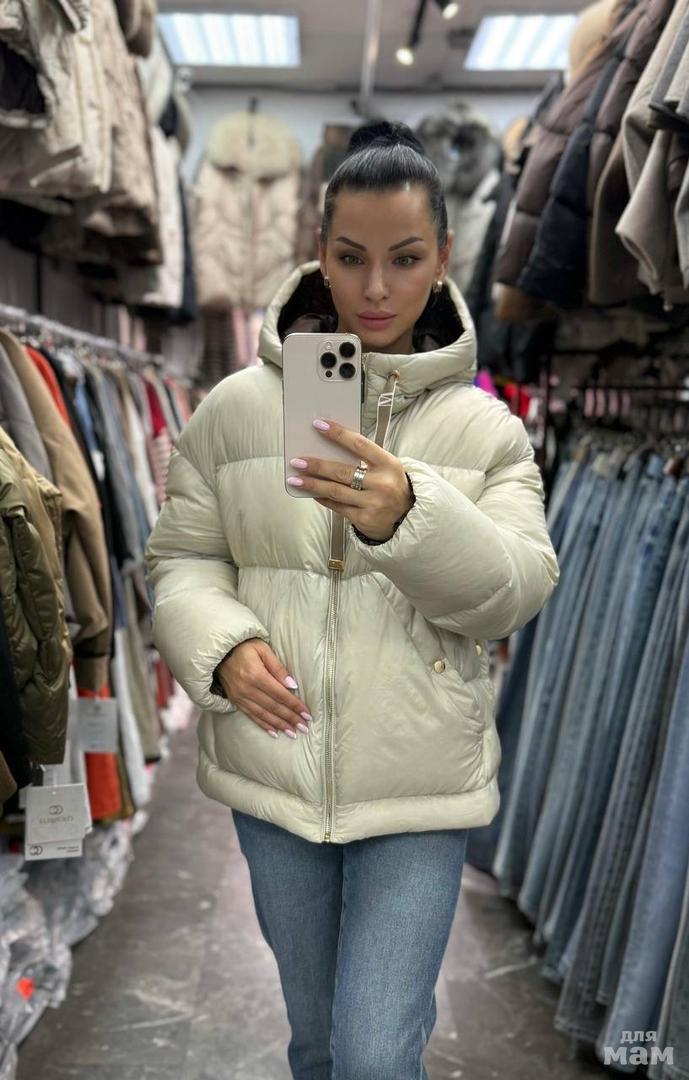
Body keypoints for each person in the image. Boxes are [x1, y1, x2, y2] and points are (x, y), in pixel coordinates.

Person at [144, 120, 560, 1079]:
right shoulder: (235, 410)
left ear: (443, 258)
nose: (375, 289)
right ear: (318, 253)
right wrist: (220, 646)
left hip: (418, 782)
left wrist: (412, 515)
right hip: (275, 764)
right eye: (350, 257)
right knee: (315, 1039)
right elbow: (184, 560)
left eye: (404, 259)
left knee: (374, 1054)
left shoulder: (487, 429)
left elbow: (515, 590)